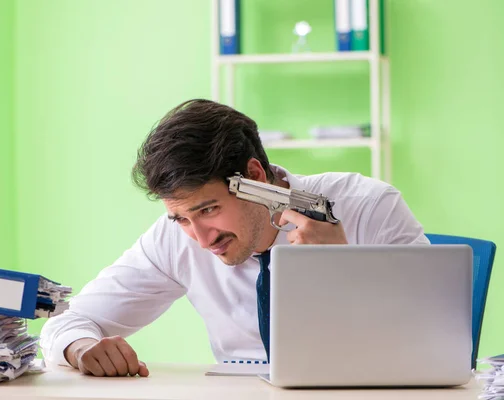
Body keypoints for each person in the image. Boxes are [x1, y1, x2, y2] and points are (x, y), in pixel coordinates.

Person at [40, 99, 428, 378]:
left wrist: (347, 269)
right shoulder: (177, 237)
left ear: (256, 177)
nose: (202, 238)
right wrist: (80, 348)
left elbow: (435, 337)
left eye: (209, 210)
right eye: (181, 218)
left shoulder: (369, 206)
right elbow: (67, 322)